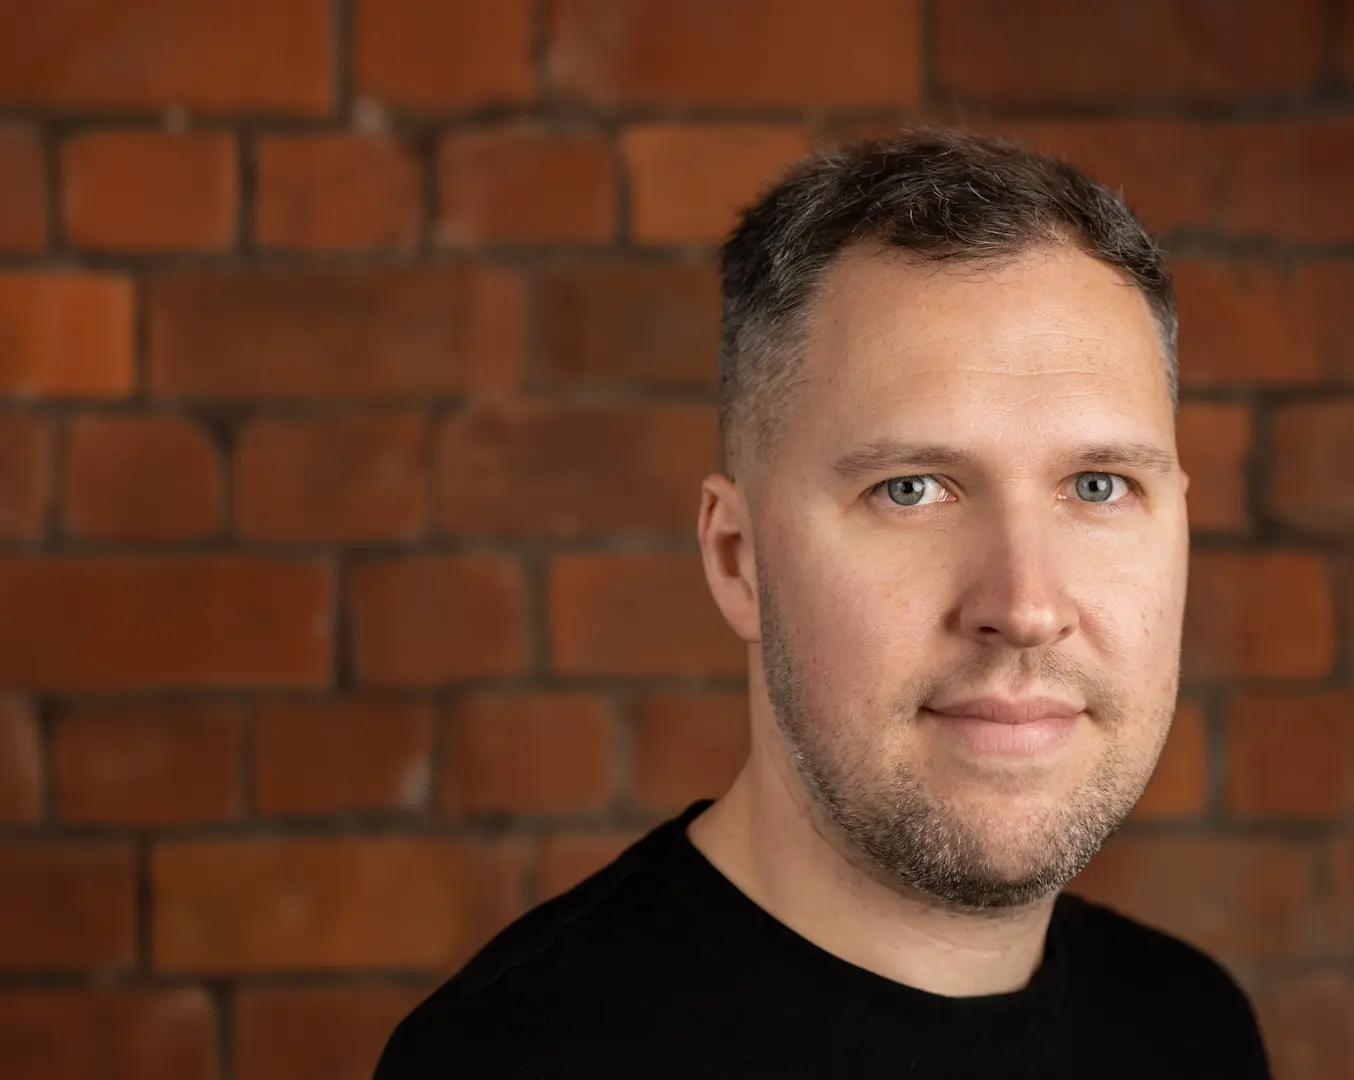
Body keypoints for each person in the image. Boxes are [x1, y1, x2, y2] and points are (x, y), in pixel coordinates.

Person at [375, 128, 1273, 1079]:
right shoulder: (512, 1060)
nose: (1024, 606)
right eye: (911, 489)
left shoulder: (1191, 1026)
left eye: (1098, 486)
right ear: (738, 558)